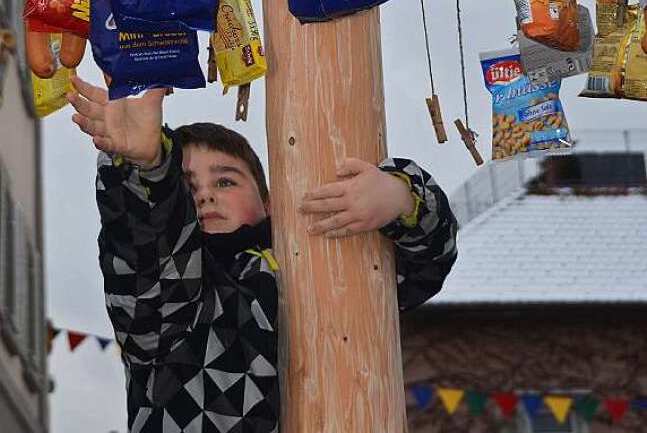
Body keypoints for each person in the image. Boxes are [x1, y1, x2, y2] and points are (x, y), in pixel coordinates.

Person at [68, 78, 457, 433]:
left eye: (225, 180)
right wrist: (144, 169)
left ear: (270, 204)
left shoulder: (314, 260)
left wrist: (402, 197)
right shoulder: (173, 299)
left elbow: (422, 268)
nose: (205, 195)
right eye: (186, 185)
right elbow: (144, 251)